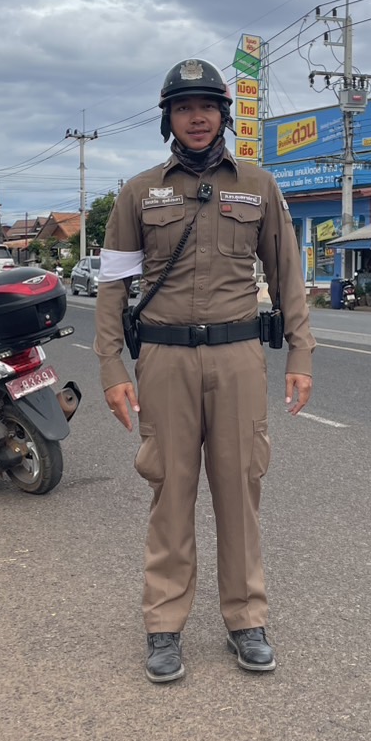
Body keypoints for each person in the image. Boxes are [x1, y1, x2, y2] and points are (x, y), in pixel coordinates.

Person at [94, 58, 315, 683]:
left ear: (224, 115)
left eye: (208, 107)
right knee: (170, 492)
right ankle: (164, 626)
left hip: (237, 357)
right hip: (163, 359)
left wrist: (301, 352)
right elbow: (112, 287)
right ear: (168, 118)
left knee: (240, 491)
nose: (197, 117)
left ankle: (246, 619)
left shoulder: (259, 186)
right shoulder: (139, 193)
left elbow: (288, 276)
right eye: (184, 108)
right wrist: (111, 366)